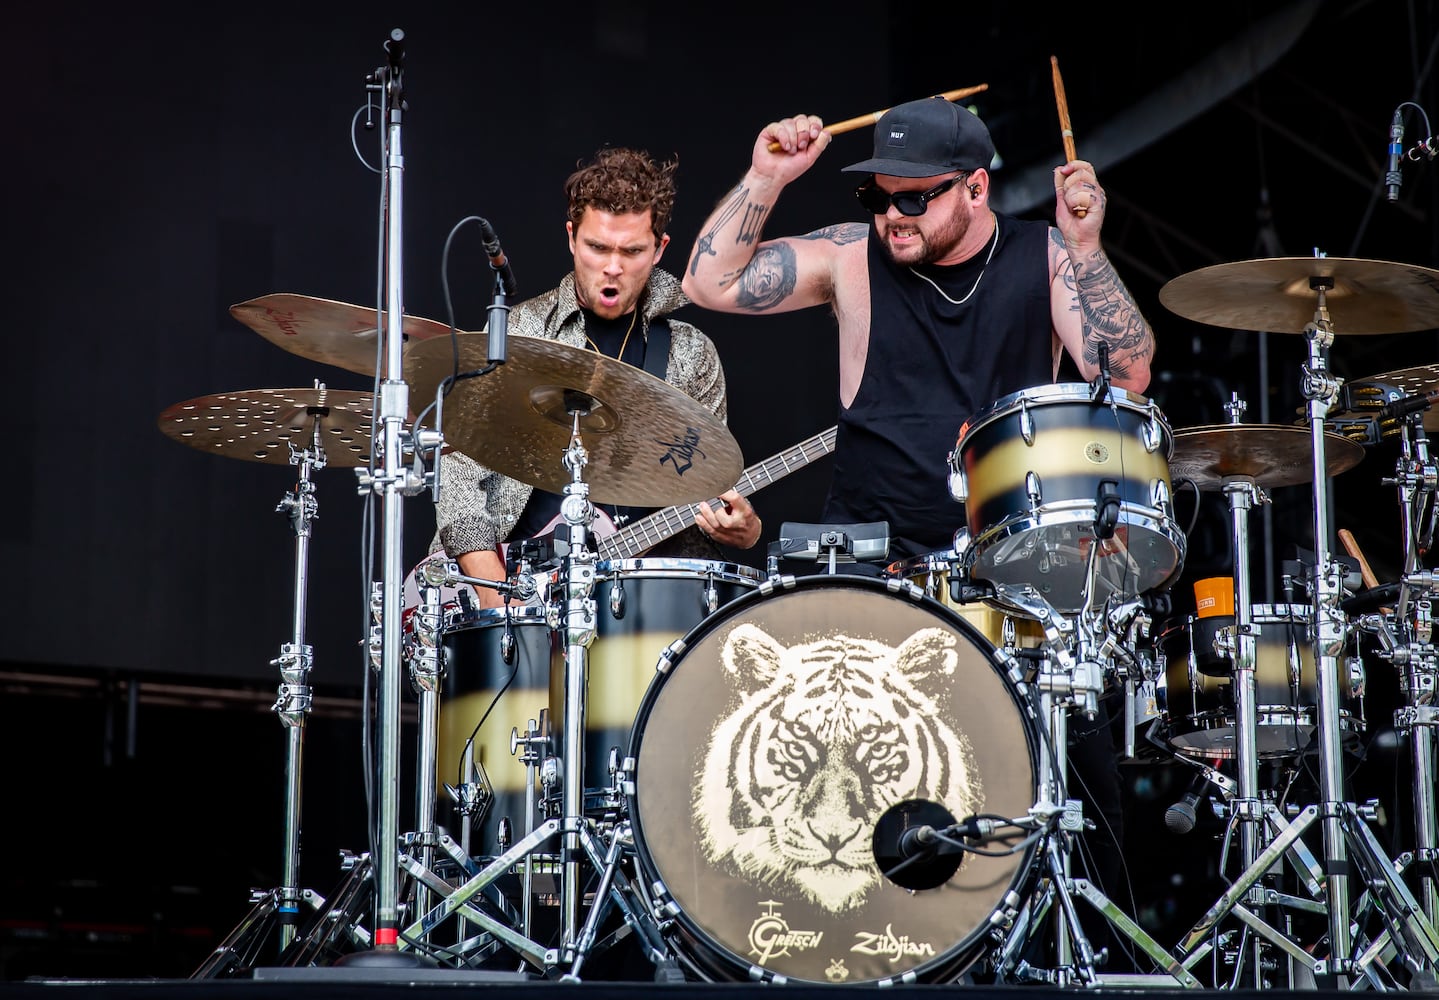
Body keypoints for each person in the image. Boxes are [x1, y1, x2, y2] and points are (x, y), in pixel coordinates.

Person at [681, 97, 1156, 971]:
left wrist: (1086, 249)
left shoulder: (1040, 256)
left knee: (1069, 766)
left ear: (974, 189)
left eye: (914, 200)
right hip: (870, 565)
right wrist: (766, 176)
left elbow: (1124, 373)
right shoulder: (851, 259)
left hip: (1011, 569)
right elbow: (707, 285)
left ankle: (1077, 960)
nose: (891, 217)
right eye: (879, 198)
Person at [431, 146, 762, 604]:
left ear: (660, 249)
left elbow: (706, 492)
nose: (612, 266)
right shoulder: (520, 333)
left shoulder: (691, 355)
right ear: (571, 238)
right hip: (512, 591)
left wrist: (743, 530)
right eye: (597, 247)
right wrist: (498, 598)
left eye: (632, 251)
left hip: (636, 606)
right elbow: (460, 477)